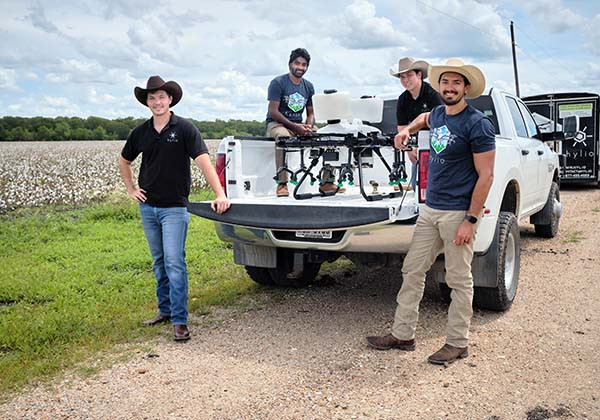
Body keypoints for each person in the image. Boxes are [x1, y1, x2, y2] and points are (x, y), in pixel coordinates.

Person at [367, 58, 496, 365]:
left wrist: (470, 220)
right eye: (446, 83)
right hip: (430, 211)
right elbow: (424, 117)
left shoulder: (477, 124)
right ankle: (403, 333)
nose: (450, 88)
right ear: (439, 86)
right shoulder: (438, 114)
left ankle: (457, 342)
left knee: (458, 279)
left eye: (456, 83)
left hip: (456, 214)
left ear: (465, 88)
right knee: (412, 269)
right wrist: (406, 131)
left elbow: (486, 176)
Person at [119, 75, 230, 342]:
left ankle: (180, 322)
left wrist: (220, 193)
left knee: (174, 262)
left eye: (161, 97)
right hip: (148, 208)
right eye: (152, 97)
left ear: (170, 99)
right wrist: (132, 189)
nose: (157, 102)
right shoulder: (141, 132)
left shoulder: (184, 129)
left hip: (174, 210)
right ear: (147, 102)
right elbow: (124, 161)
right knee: (159, 263)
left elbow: (204, 162)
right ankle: (165, 311)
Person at [266, 48, 338, 197]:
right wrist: (294, 127)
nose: (300, 67)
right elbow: (273, 111)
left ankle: (327, 182)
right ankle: (282, 184)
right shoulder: (278, 82)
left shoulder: (308, 86)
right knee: (283, 137)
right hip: (277, 124)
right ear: (290, 64)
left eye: (304, 64)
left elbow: (311, 112)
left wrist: (308, 126)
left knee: (327, 137)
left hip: (298, 125)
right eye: (297, 63)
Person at [390, 57, 443, 189]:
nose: (406, 80)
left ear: (419, 75)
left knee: (434, 187)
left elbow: (442, 125)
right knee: (416, 187)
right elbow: (402, 129)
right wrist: (409, 150)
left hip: (438, 147)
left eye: (409, 75)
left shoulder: (433, 94)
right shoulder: (403, 99)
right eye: (402, 77)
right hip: (417, 147)